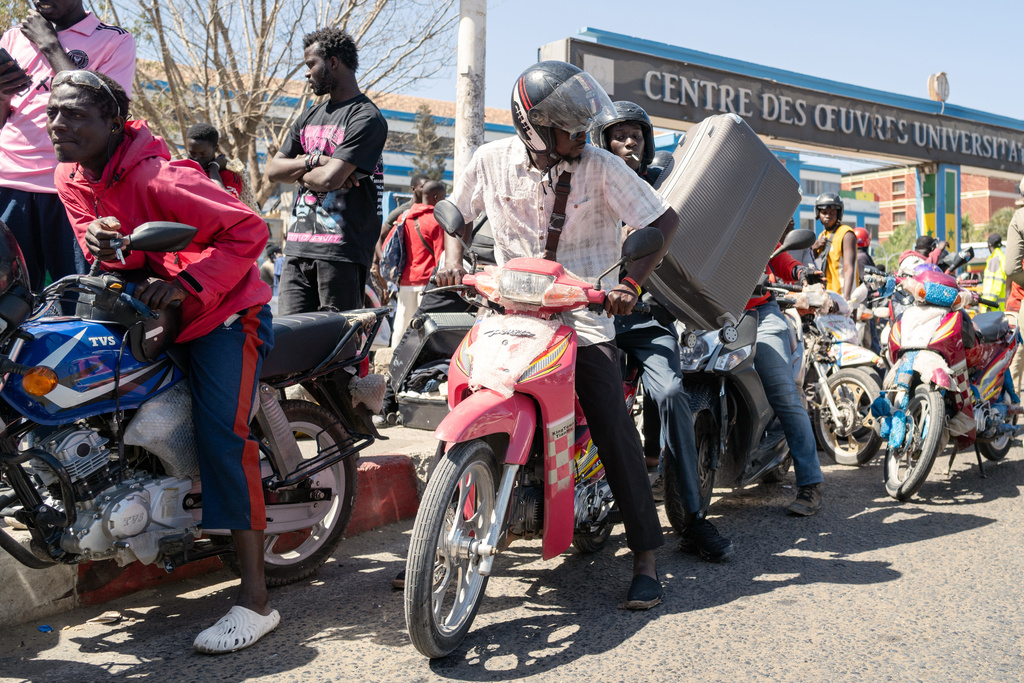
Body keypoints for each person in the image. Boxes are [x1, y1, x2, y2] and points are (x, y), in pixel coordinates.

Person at [47, 70, 277, 654]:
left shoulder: (161, 176)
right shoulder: (70, 175)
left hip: (221, 311)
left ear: (112, 122)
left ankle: (254, 601)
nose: (58, 124)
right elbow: (100, 242)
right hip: (147, 310)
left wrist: (188, 284)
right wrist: (103, 241)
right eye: (53, 112)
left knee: (223, 438)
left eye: (75, 115)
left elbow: (250, 229)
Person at [436, 61, 679, 609]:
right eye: (569, 127)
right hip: (508, 315)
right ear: (533, 127)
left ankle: (644, 556)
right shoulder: (491, 160)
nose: (581, 136)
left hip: (583, 317)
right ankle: (438, 540)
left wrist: (631, 286)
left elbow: (662, 223)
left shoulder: (600, 166)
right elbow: (457, 215)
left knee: (616, 432)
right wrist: (453, 260)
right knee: (456, 392)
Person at [594, 100, 733, 562]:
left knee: (673, 393)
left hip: (648, 320)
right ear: (602, 141)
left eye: (637, 133)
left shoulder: (668, 189)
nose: (629, 140)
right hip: (591, 319)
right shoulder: (586, 188)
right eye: (619, 134)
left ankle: (692, 519)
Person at [0, 0, 135, 291]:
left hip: (72, 189)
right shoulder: (13, 37)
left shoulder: (114, 40)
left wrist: (49, 44)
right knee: (9, 299)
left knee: (79, 295)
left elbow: (105, 107)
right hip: (8, 185)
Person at [266, 27, 387, 315]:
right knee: (289, 348)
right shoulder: (309, 114)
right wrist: (314, 161)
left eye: (311, 64)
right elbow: (273, 170)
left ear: (333, 62)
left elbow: (328, 180)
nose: (306, 73)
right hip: (296, 251)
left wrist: (307, 170)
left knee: (335, 352)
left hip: (341, 255)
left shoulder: (366, 117)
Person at [748, 238, 826, 515]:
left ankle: (810, 482)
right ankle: (667, 472)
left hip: (758, 312)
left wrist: (800, 272)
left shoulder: (752, 220)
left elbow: (779, 256)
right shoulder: (696, 215)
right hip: (706, 312)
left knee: (784, 392)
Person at [383, 179, 446, 347]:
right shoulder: (437, 221)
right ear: (436, 197)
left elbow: (387, 246)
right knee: (426, 327)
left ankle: (394, 361)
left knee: (401, 326)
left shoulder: (404, 217)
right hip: (427, 283)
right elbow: (441, 257)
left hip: (405, 281)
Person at [185, 122, 257, 210]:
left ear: (216, 149)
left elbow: (226, 203)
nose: (196, 158)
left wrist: (214, 168)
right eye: (192, 153)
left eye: (203, 153)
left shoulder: (228, 175)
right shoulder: (180, 170)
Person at [811, 193, 858, 300]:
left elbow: (848, 268)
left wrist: (846, 299)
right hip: (827, 295)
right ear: (818, 213)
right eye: (824, 212)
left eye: (832, 212)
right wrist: (814, 247)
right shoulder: (822, 235)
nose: (828, 215)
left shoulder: (846, 233)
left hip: (843, 295)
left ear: (838, 213)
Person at [1004, 208, 1024, 393]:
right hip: (1015, 309)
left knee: (1015, 366)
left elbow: (1009, 274)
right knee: (1015, 365)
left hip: (1015, 311)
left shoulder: (1015, 257)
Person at [981, 232, 1006, 310]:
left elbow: (994, 283)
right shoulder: (1003, 258)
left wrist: (988, 303)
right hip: (1000, 307)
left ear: (989, 245)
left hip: (992, 309)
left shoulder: (995, 260)